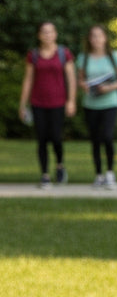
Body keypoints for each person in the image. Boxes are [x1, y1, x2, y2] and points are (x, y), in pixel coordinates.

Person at [18, 21, 76, 189]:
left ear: (55, 34)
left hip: (58, 102)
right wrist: (23, 104)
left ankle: (59, 165)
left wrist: (71, 101)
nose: (47, 35)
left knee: (56, 137)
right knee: (42, 139)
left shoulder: (64, 53)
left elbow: (71, 79)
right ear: (39, 35)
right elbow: (28, 80)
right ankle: (44, 175)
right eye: (44, 32)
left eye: (50, 32)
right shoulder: (34, 55)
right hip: (38, 102)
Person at [77, 25, 117, 190]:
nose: (96, 39)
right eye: (93, 36)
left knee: (107, 136)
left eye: (99, 36)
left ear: (105, 38)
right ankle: (98, 174)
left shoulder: (114, 56)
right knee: (95, 139)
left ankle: (110, 173)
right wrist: (84, 86)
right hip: (91, 103)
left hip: (110, 102)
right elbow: (80, 79)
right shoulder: (83, 58)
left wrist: (109, 88)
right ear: (89, 39)